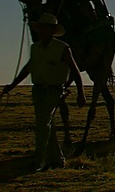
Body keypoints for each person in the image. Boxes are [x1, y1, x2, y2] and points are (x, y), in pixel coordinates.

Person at [1, 13, 86, 171]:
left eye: (44, 28)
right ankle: (57, 160)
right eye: (40, 28)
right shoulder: (35, 48)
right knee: (48, 126)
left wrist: (81, 93)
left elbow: (75, 70)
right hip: (38, 90)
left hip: (54, 91)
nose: (41, 31)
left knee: (42, 125)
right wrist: (12, 86)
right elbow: (28, 68)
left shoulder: (62, 48)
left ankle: (38, 162)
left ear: (52, 30)